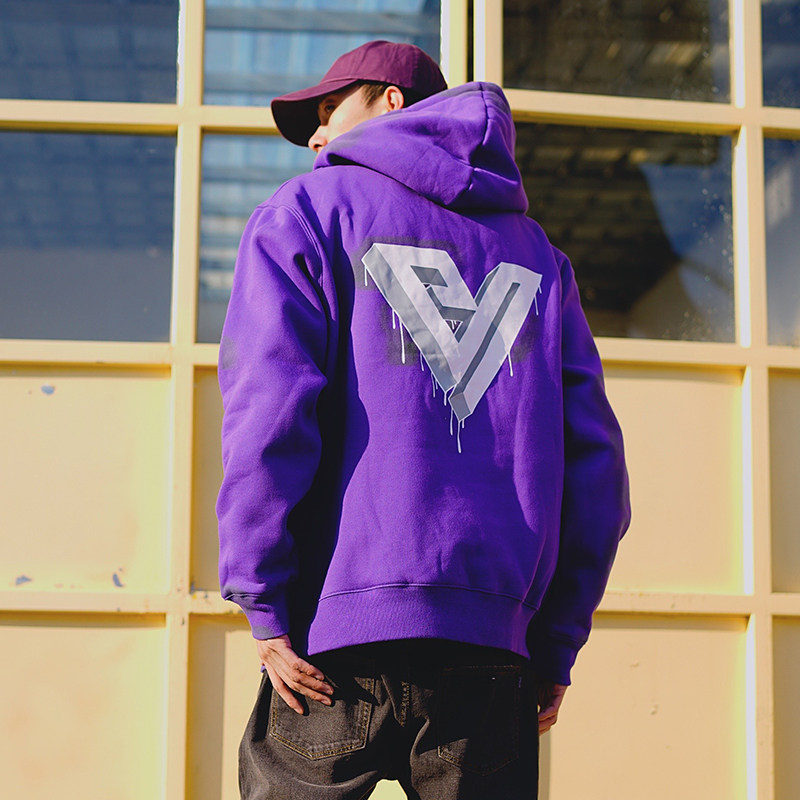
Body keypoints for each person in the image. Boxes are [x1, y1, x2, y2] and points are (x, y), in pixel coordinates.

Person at [217, 40, 630, 800]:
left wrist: (263, 601)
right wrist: (554, 642)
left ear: (392, 100)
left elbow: (266, 416)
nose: (316, 135)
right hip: (490, 655)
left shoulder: (308, 213)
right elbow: (596, 471)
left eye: (328, 109)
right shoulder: (541, 260)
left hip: (333, 647)